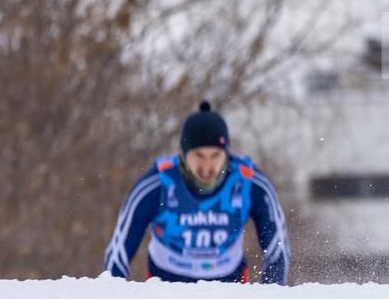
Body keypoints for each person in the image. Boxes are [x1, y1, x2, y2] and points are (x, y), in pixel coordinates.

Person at [104, 101, 290, 283]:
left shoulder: (249, 183)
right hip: (165, 291)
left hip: (230, 292)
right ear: (184, 155)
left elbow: (277, 250)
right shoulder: (157, 185)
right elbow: (118, 252)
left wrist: (268, 298)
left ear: (227, 155)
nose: (207, 166)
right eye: (198, 156)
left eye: (215, 156)